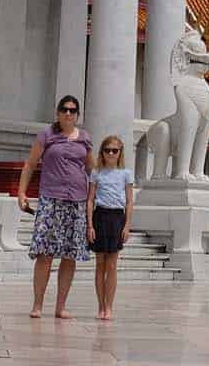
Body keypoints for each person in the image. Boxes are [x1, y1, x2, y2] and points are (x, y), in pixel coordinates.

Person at [16, 94, 92, 319]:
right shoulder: (47, 136)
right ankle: (38, 304)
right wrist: (22, 192)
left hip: (76, 202)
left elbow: (91, 171)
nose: (68, 113)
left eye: (73, 110)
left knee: (69, 255)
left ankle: (60, 306)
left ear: (77, 115)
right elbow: (30, 165)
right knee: (45, 254)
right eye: (64, 109)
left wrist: (98, 199)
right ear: (58, 113)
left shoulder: (85, 139)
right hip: (51, 199)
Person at [86, 137, 135, 320]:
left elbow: (130, 202)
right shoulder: (96, 173)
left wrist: (127, 226)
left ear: (120, 153)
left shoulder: (126, 174)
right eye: (108, 150)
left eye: (115, 150)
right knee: (100, 264)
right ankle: (100, 305)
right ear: (102, 152)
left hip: (117, 217)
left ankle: (109, 306)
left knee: (112, 265)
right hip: (100, 216)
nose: (111, 154)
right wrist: (89, 225)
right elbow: (90, 200)